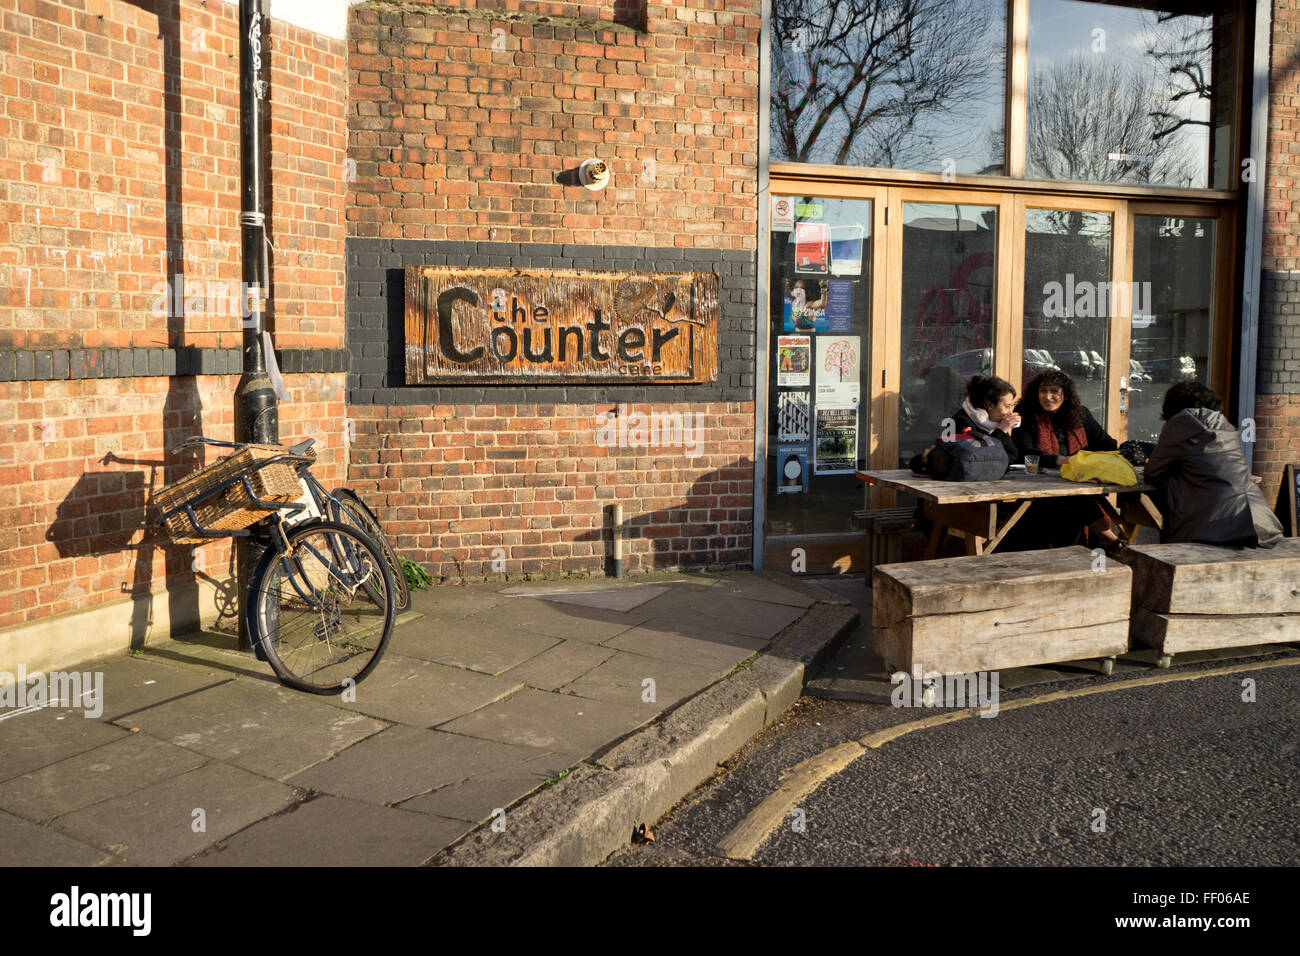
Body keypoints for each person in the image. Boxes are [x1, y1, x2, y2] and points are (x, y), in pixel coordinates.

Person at [1144, 381, 1283, 547]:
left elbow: (1152, 472)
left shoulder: (1179, 423)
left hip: (1215, 527)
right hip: (1260, 523)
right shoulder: (1224, 424)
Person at [1012, 370, 1124, 551]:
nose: (1048, 397)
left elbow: (1108, 445)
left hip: (1076, 482)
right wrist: (1062, 460)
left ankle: (1114, 544)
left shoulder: (1080, 414)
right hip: (1037, 489)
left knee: (1075, 499)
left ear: (1065, 394)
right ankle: (1114, 543)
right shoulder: (1026, 413)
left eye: (1054, 391)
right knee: (1073, 501)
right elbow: (1024, 453)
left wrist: (1085, 458)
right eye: (1043, 391)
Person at [950, 374, 1021, 463]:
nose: (1010, 412)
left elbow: (1013, 454)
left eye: (1011, 406)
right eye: (1007, 406)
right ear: (989, 405)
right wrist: (1001, 431)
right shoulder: (962, 422)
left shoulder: (995, 423)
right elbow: (980, 456)